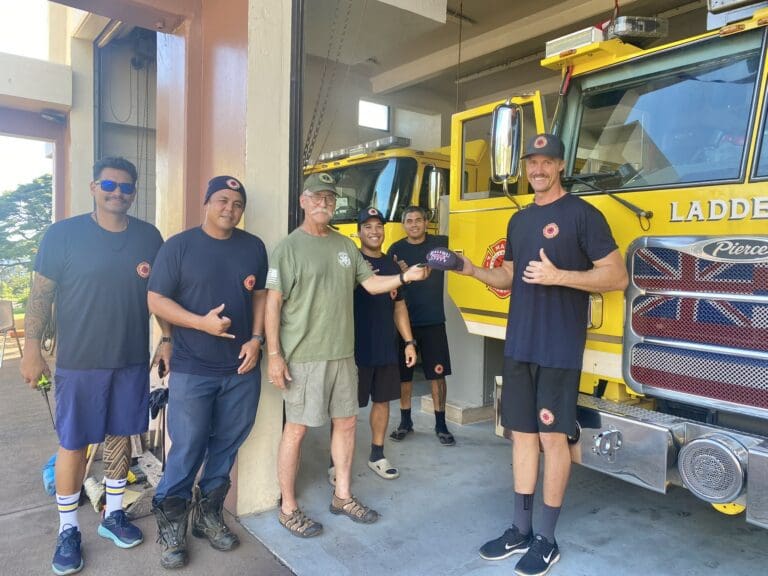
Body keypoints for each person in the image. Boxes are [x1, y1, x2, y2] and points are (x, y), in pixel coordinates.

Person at [453, 134, 627, 576]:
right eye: (533, 162)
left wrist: (559, 276)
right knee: (522, 437)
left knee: (554, 441)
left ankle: (546, 538)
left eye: (547, 162)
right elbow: (510, 274)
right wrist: (472, 269)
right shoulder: (520, 220)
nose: (538, 170)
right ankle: (520, 529)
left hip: (557, 350)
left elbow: (616, 276)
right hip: (520, 346)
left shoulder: (584, 215)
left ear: (561, 165)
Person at [20, 157, 168, 576]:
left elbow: (156, 295)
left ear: (134, 193)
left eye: (126, 187)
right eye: (109, 184)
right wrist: (32, 350)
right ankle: (68, 530)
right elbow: (40, 296)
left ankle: (113, 515)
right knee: (73, 443)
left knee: (122, 437)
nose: (117, 192)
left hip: (130, 359)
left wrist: (169, 338)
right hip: (78, 361)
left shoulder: (148, 236)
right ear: (93, 187)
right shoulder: (63, 235)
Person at [265, 173, 429, 538]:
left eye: (330, 198)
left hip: (343, 355)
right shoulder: (288, 248)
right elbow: (273, 304)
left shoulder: (344, 246)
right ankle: (288, 507)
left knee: (347, 423)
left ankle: (342, 496)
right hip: (303, 356)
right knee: (296, 430)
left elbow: (371, 284)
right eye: (318, 197)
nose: (324, 203)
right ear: (304, 201)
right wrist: (274, 354)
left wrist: (406, 278)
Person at [147, 176, 267, 569]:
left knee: (227, 445)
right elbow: (156, 299)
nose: (229, 208)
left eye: (236, 203)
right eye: (222, 200)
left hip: (242, 368)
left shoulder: (253, 247)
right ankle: (171, 527)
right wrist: (200, 323)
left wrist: (256, 338)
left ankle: (209, 516)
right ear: (206, 202)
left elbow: (261, 295)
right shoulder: (179, 246)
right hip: (194, 368)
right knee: (187, 447)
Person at [352, 207, 417, 481]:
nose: (374, 231)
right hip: (352, 348)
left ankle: (377, 454)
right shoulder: (351, 261)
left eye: (378, 226)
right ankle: (336, 460)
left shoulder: (392, 265)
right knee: (343, 409)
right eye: (368, 226)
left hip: (384, 347)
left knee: (382, 401)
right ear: (358, 232)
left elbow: (399, 307)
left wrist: (409, 342)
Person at [388, 206, 455, 446]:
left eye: (418, 220)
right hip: (404, 322)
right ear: (404, 224)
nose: (414, 224)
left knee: (437, 375)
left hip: (434, 320)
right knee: (404, 376)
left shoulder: (441, 244)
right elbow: (389, 284)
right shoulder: (396, 250)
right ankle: (405, 421)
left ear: (426, 222)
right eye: (409, 221)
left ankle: (441, 424)